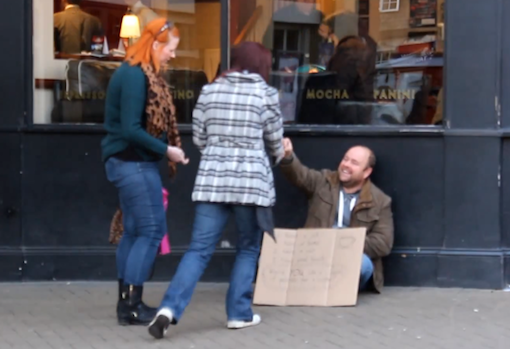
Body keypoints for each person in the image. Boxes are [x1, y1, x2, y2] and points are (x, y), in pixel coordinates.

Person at [148, 41, 285, 339]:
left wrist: (218, 153)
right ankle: (238, 314)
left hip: (212, 182)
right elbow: (275, 141)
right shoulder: (266, 94)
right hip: (251, 185)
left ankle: (168, 310)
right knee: (248, 248)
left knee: (198, 250)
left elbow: (198, 136)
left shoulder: (209, 91)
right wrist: (277, 154)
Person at [101, 18, 188, 326]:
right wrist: (168, 150)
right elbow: (130, 128)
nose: (173, 56)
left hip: (127, 163)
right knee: (150, 232)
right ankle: (133, 307)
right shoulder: (136, 76)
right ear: (155, 45)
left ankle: (127, 305)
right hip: (133, 164)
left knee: (135, 232)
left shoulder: (134, 72)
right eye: (171, 49)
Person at [279, 138, 394, 293]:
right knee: (269, 259)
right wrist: (288, 156)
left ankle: (329, 288)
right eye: (345, 159)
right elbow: (300, 175)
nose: (346, 165)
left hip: (349, 257)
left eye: (354, 163)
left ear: (366, 172)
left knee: (362, 264)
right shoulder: (323, 181)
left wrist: (344, 241)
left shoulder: (380, 200)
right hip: (316, 254)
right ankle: (316, 285)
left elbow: (383, 243)